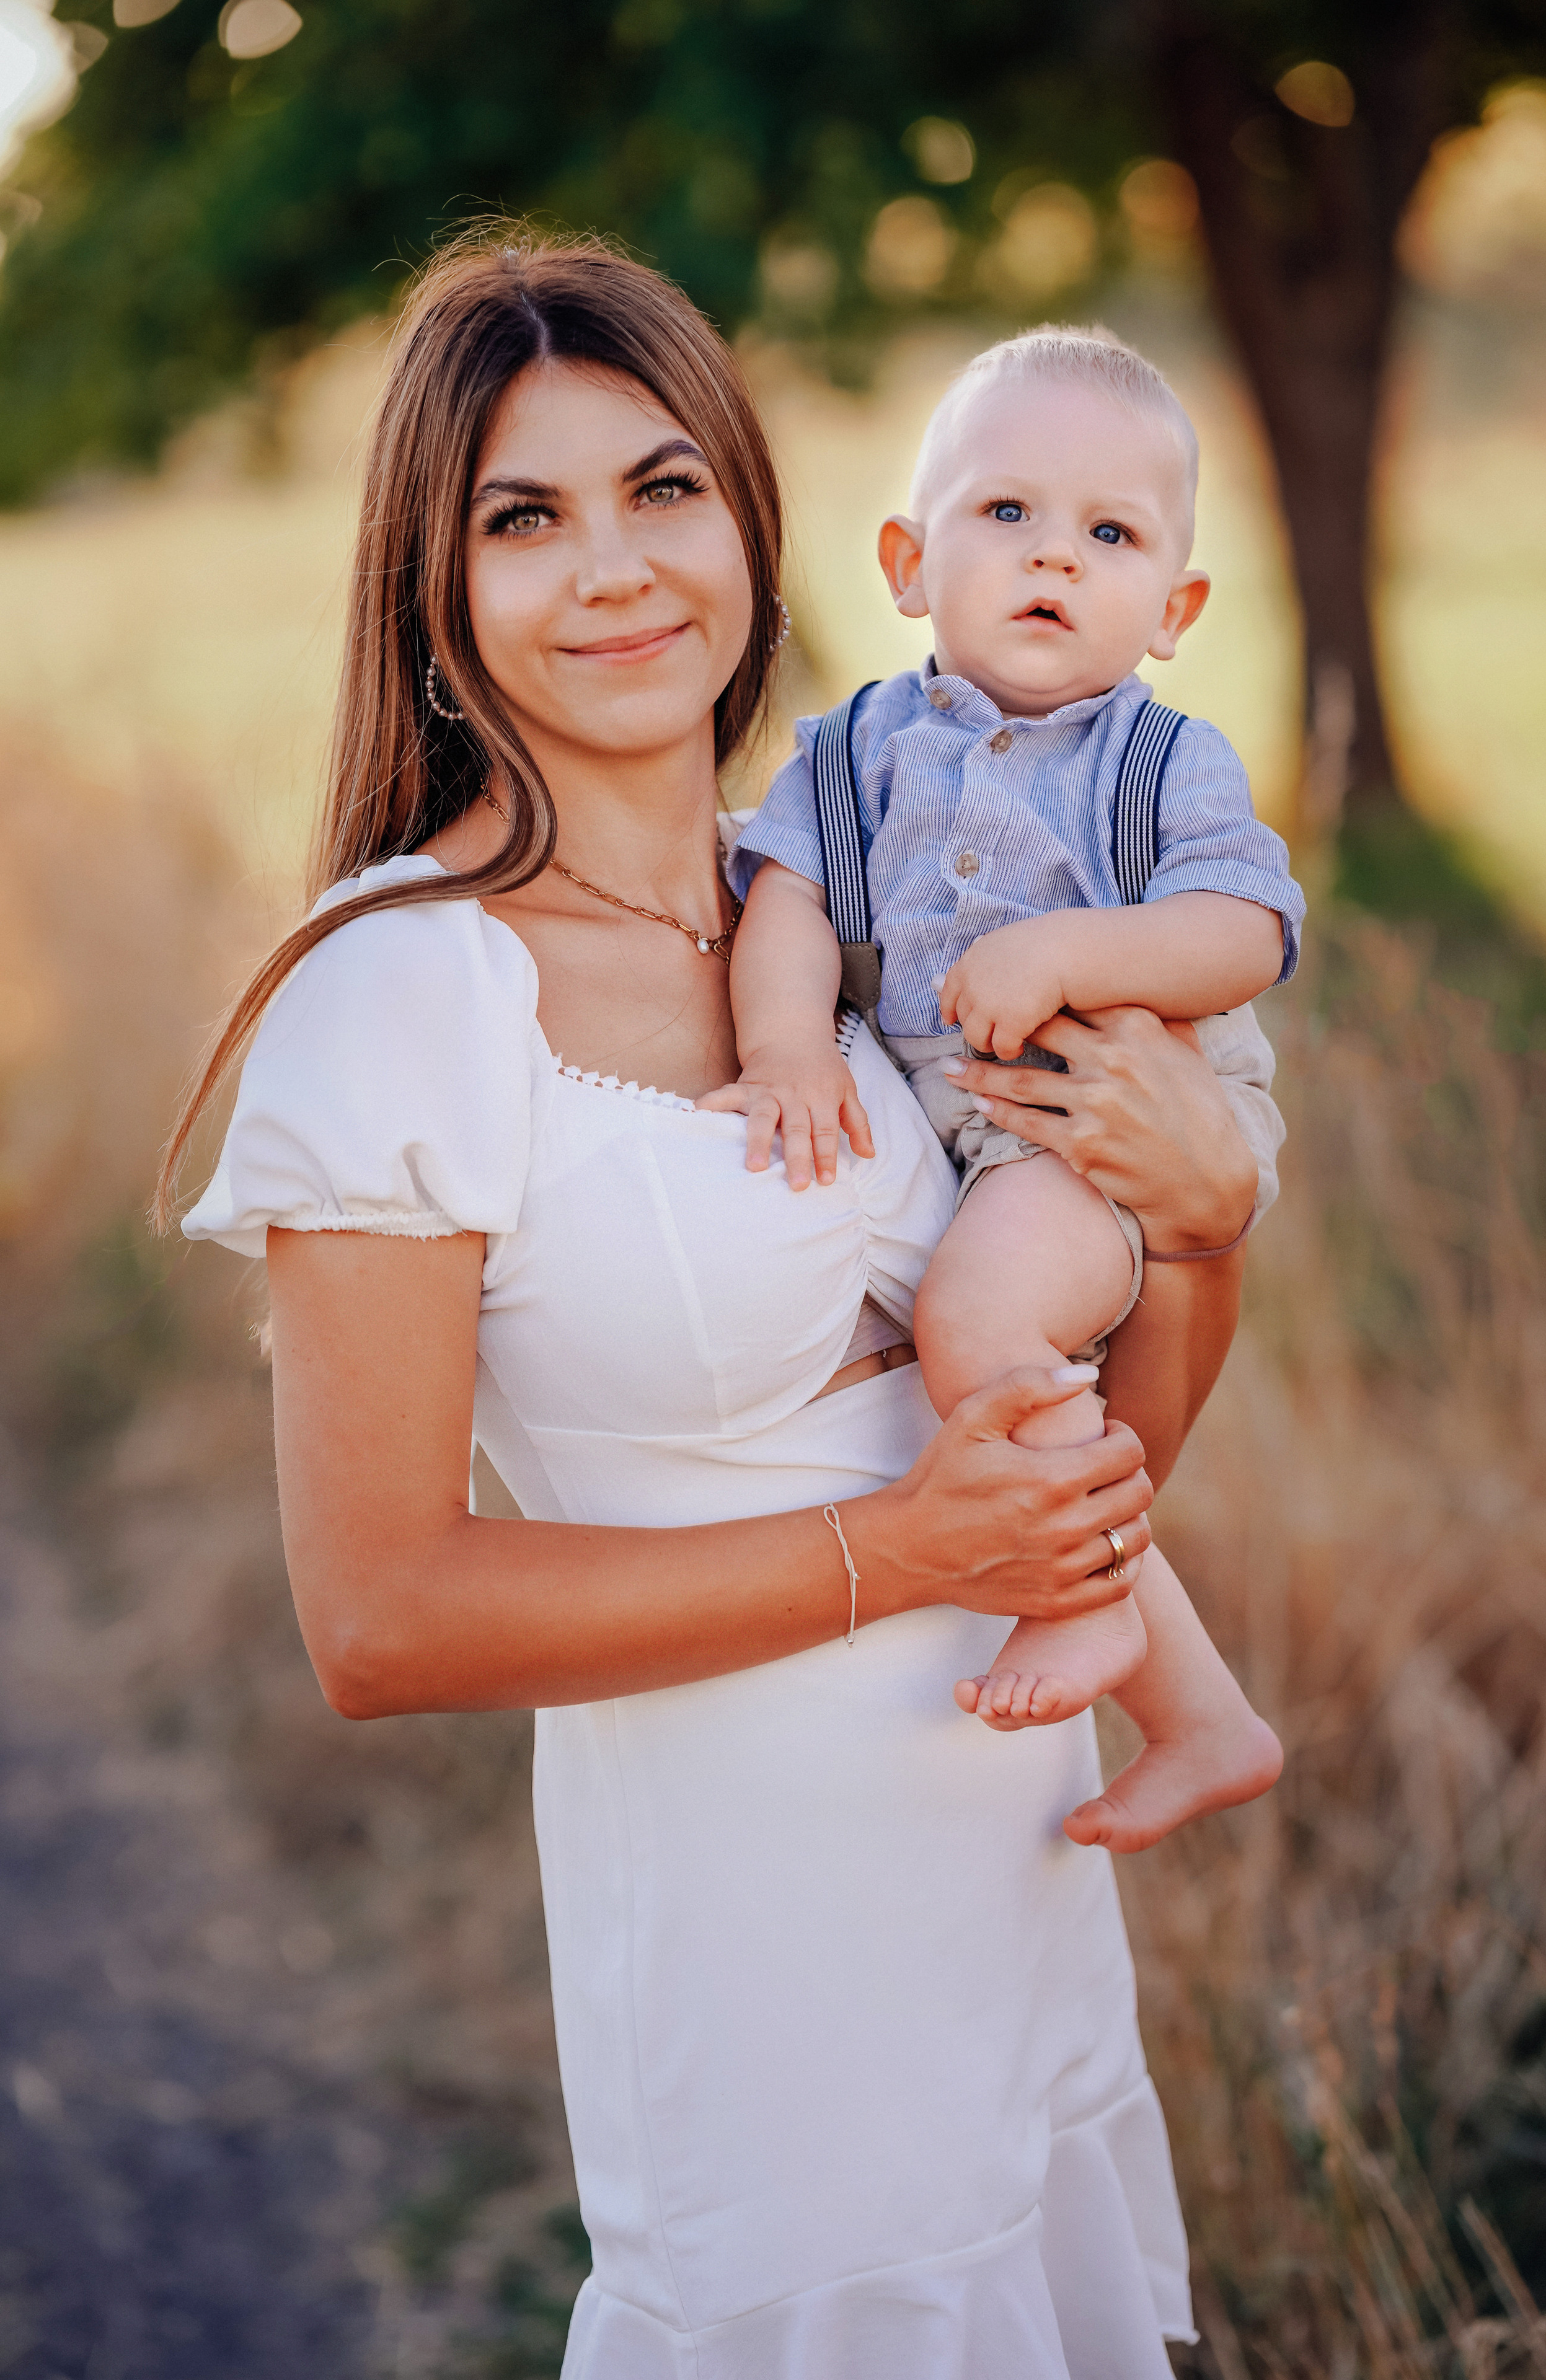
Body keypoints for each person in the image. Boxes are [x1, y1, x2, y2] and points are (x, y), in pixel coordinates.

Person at [157, 229, 1261, 2375]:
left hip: (1018, 1878)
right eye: (524, 518)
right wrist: (901, 1552)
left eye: (664, 488)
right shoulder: (401, 994)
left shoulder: (833, 915)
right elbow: (378, 1620)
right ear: (435, 590)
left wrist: (1200, 1241)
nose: (616, 571)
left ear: (757, 522)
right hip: (769, 1977)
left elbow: (1099, 1462)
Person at [713, 328, 1294, 1849]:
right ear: (908, 562)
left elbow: (1244, 930)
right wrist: (780, 1048)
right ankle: (1201, 1716)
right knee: (1002, 1369)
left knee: (975, 1327)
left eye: (1107, 537)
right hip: (971, 1129)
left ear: (1170, 609)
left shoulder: (1159, 758)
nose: (1053, 560)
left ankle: (1085, 1611)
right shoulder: (850, 750)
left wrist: (1078, 944)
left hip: (1106, 1126)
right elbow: (781, 890)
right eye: (1005, 516)